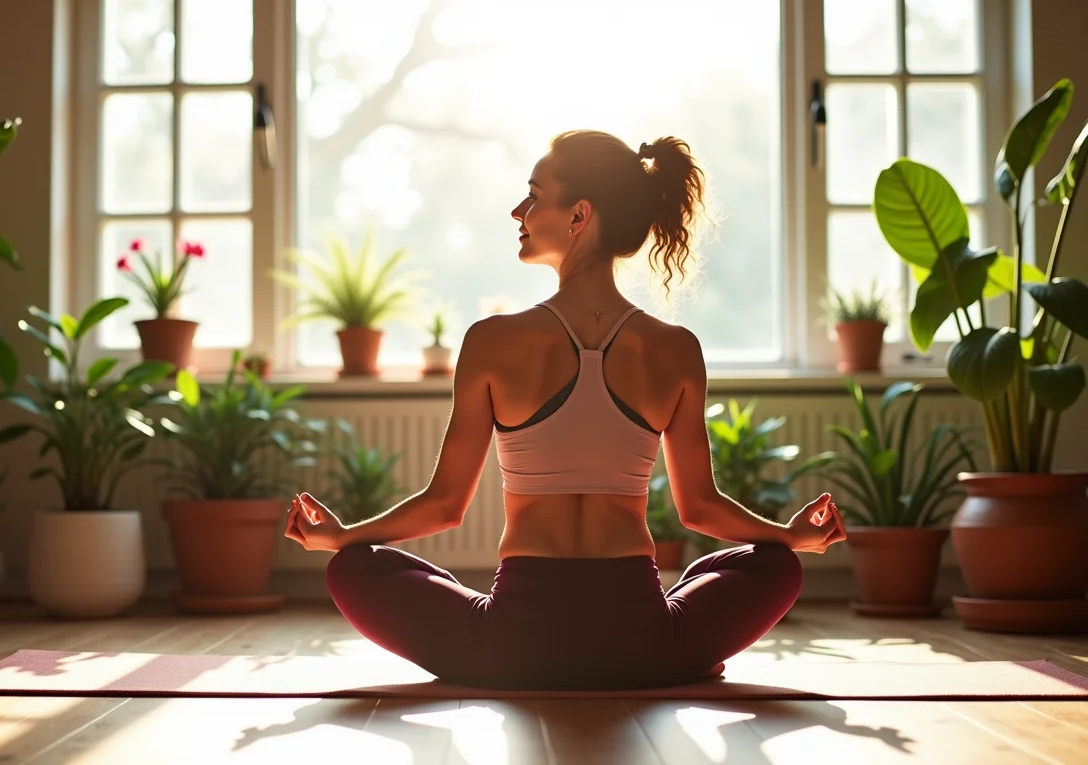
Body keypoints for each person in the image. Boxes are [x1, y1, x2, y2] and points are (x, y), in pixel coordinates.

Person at [283, 129, 847, 691]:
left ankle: (502, 661)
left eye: (533, 196)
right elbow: (700, 509)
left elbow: (445, 506)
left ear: (579, 214)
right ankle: (672, 658)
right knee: (774, 565)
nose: (518, 211)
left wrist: (344, 536)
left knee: (354, 567)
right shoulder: (676, 349)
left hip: (512, 646)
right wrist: (789, 536)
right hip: (642, 641)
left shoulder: (490, 341)